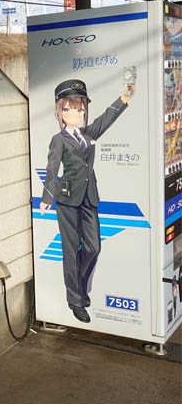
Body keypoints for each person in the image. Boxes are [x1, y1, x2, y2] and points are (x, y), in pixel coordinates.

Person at [39, 79, 133, 323]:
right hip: (68, 199)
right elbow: (52, 169)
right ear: (60, 111)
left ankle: (80, 288)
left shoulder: (87, 134)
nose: (75, 114)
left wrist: (123, 99)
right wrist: (47, 197)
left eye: (79, 109)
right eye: (68, 109)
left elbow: (105, 120)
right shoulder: (58, 139)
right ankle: (75, 300)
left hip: (89, 196)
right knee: (70, 251)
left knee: (93, 247)